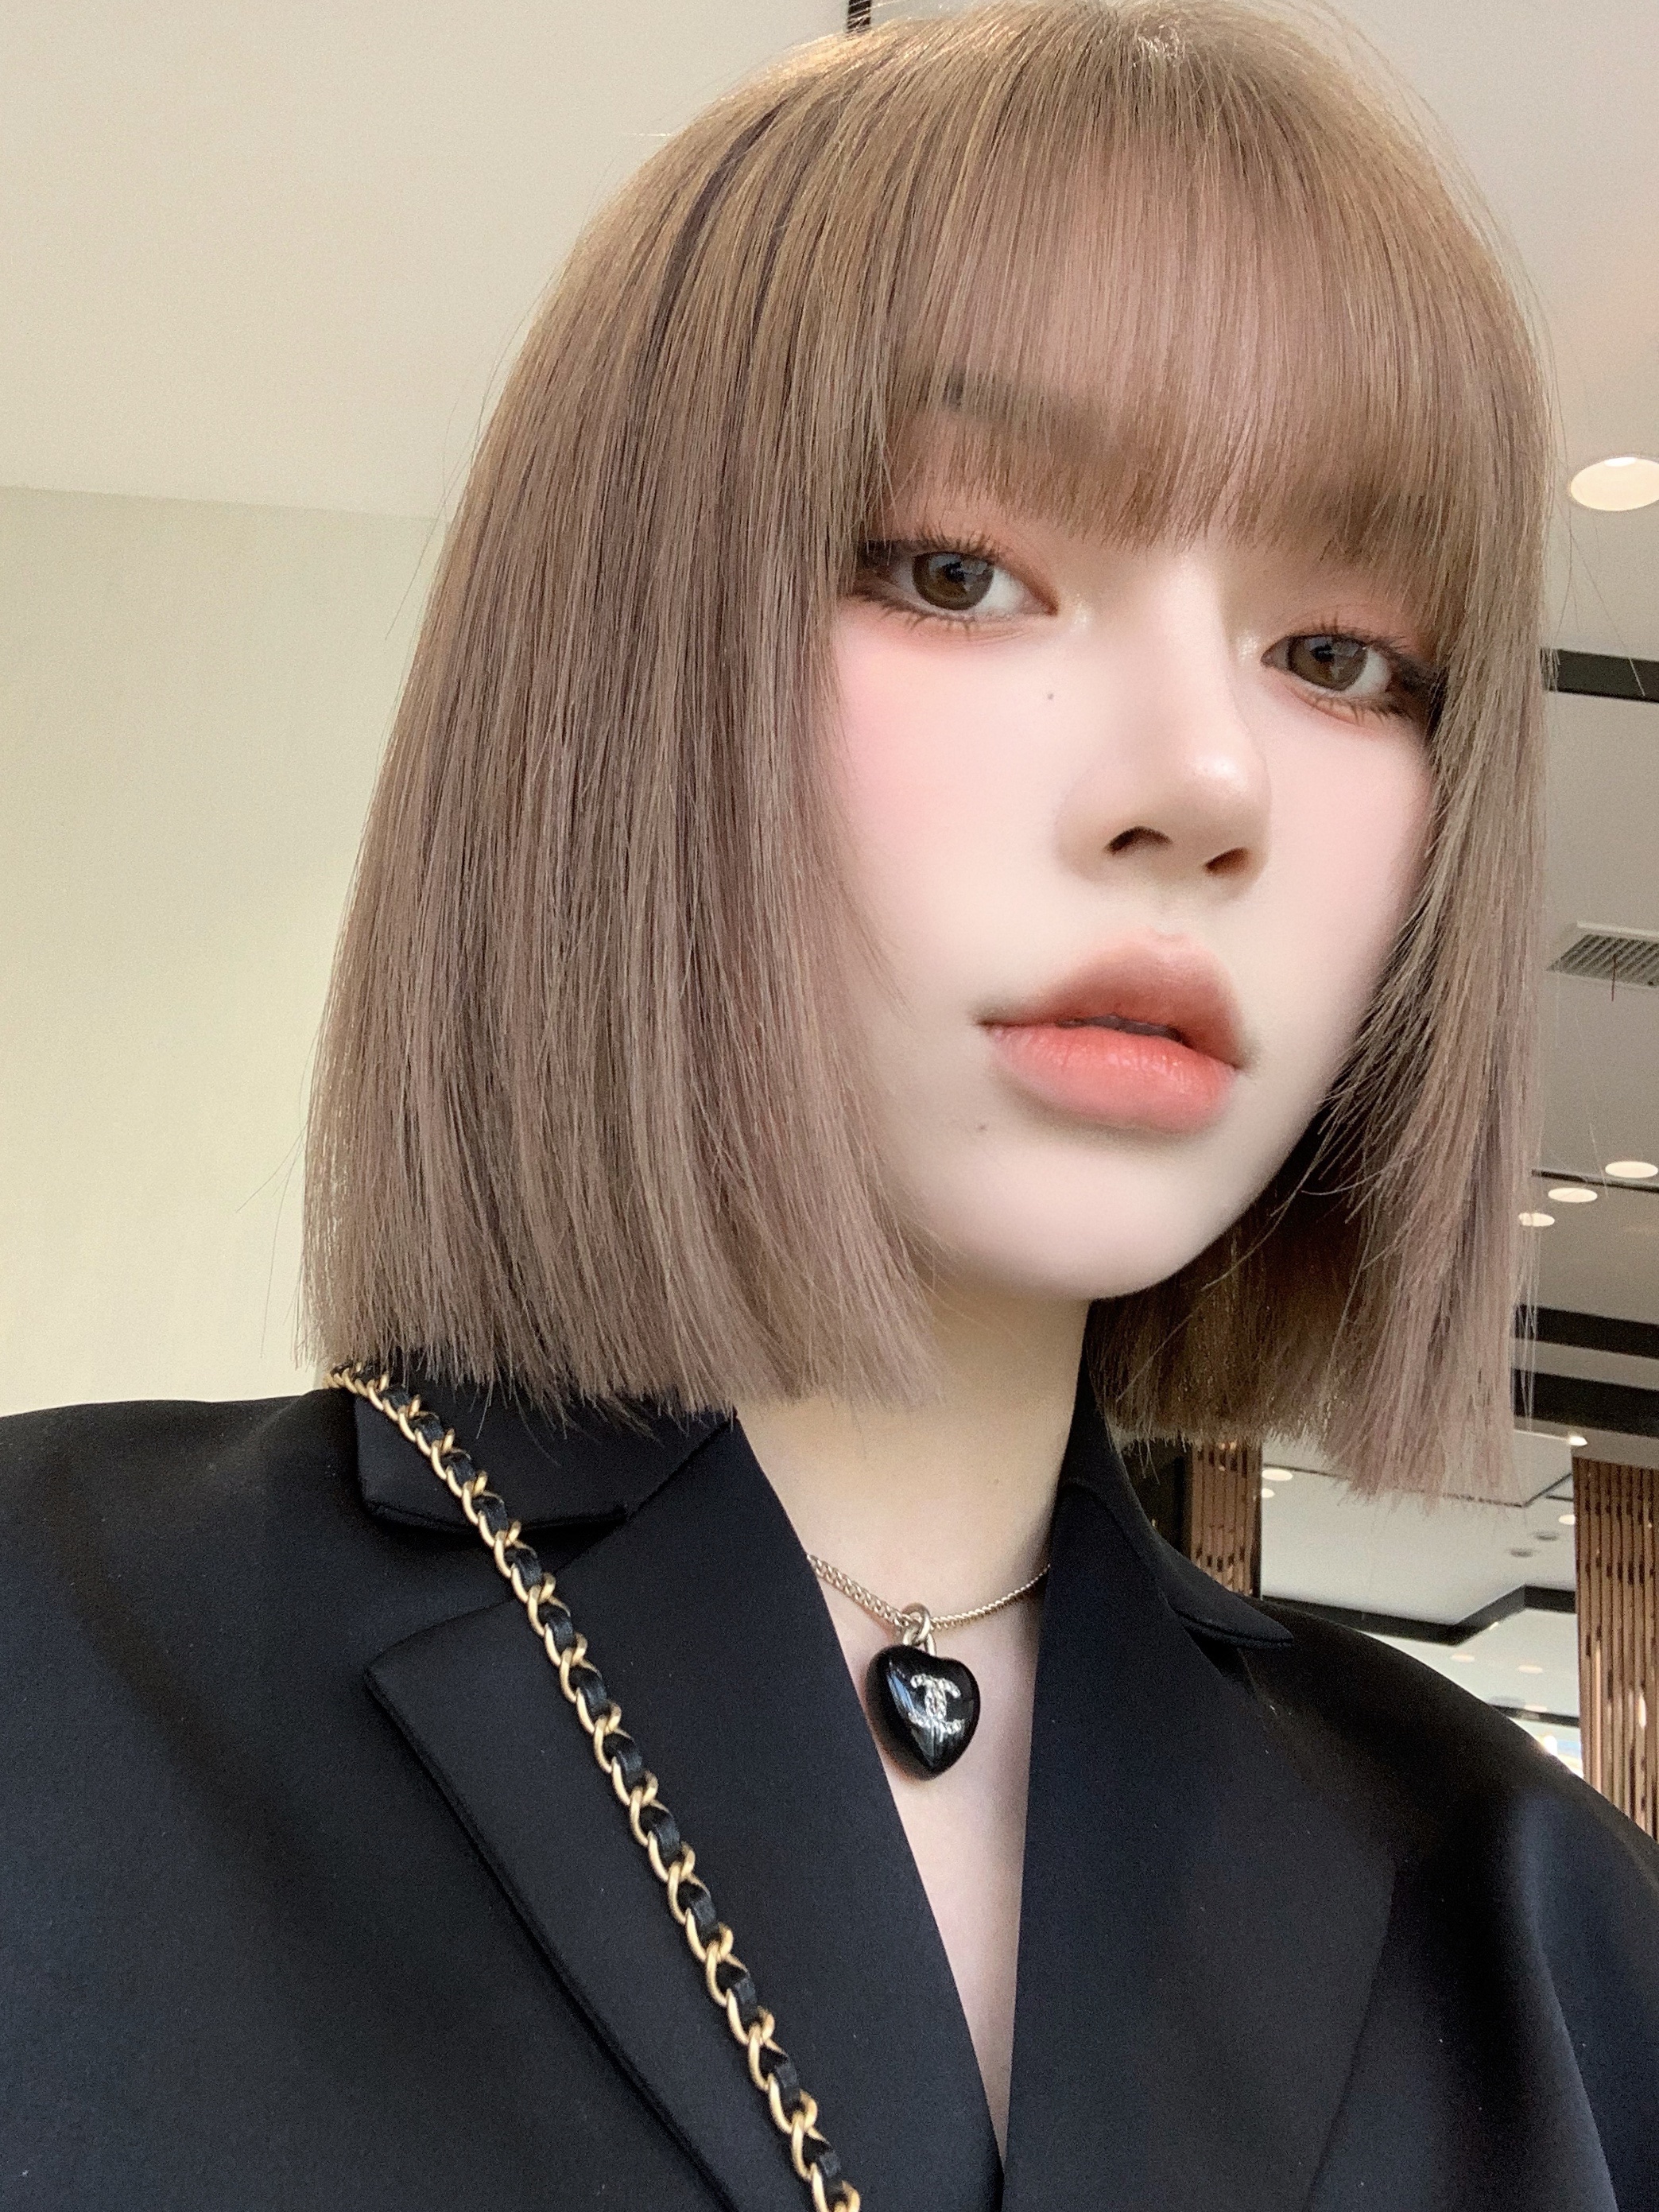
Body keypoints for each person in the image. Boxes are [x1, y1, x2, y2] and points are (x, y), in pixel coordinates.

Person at [4, 2, 1657, 2206]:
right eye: (960, 573)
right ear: (613, 662)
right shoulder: (55, 1677)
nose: (1205, 782)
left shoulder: (1549, 1939)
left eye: (1340, 657)